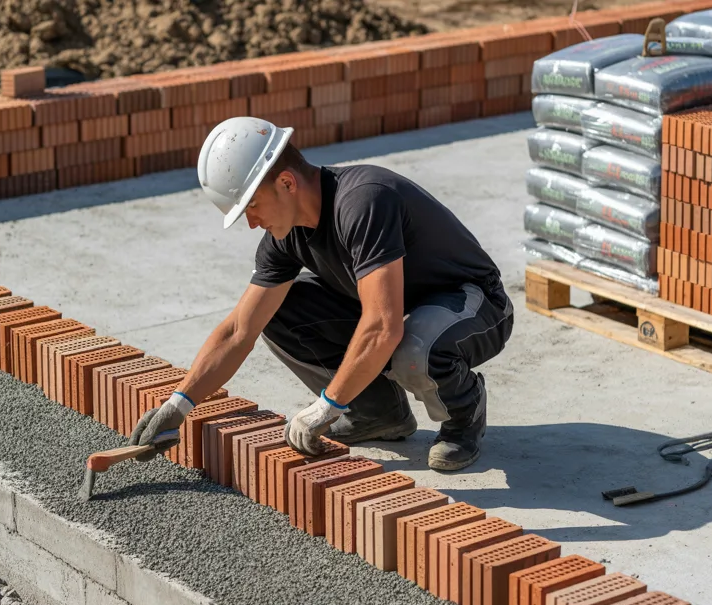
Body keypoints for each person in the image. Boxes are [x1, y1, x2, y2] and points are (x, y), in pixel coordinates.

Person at [128, 116, 514, 471]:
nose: (251, 223)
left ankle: (464, 414)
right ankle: (377, 414)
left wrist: (326, 406)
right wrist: (179, 403)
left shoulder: (363, 201)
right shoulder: (285, 237)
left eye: (253, 206)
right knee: (279, 313)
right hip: (405, 313)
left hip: (473, 304)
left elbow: (382, 326)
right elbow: (238, 330)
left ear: (286, 183)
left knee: (411, 347)